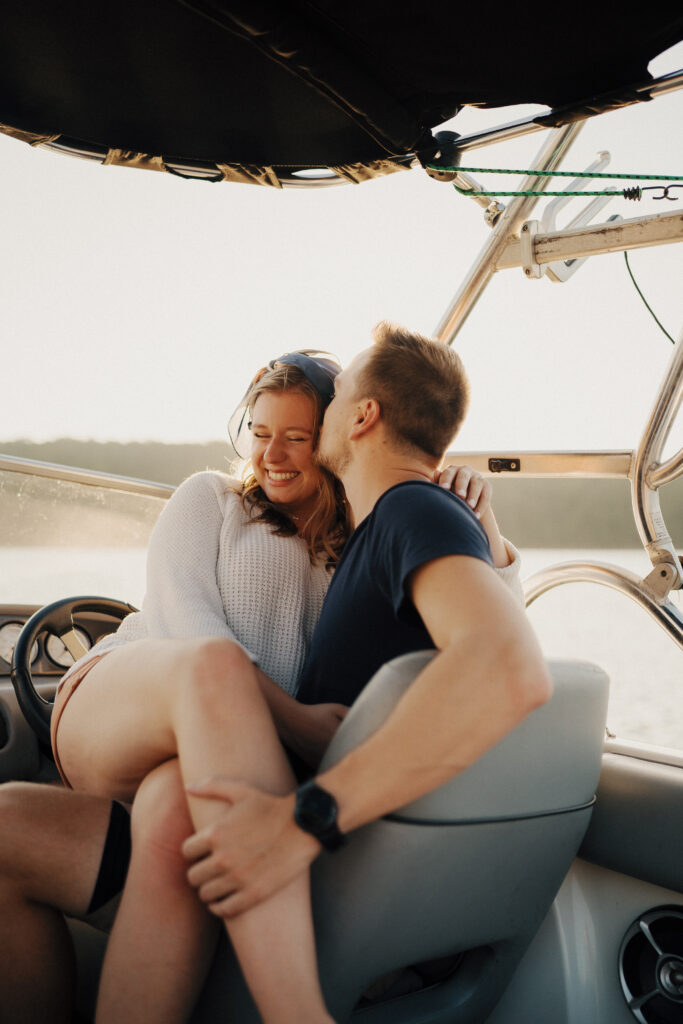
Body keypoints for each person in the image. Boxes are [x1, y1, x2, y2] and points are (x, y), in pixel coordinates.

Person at [0, 344, 520, 1024]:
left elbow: (491, 625)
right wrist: (297, 722)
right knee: (214, 670)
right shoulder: (208, 498)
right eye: (260, 433)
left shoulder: (364, 532)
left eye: (296, 438)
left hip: (206, 763)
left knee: (139, 819)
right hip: (121, 704)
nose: (271, 454)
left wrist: (490, 534)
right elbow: (188, 626)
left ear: (339, 432)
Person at [179, 321, 551, 973]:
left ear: (362, 416)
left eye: (339, 389)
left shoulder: (412, 512)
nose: (323, 408)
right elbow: (490, 626)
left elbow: (510, 666)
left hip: (330, 861)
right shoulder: (389, 527)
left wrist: (304, 820)